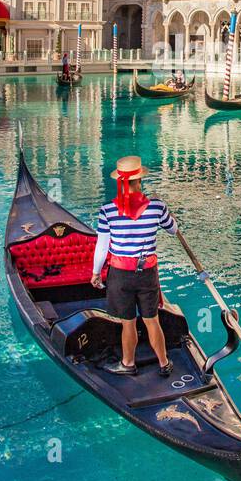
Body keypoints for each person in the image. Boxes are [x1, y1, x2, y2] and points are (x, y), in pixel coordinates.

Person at [90, 156, 178, 377]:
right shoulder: (157, 206)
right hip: (147, 273)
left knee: (127, 323)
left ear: (119, 181)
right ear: (139, 181)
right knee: (152, 320)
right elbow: (174, 230)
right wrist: (169, 216)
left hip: (120, 275)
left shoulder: (107, 210)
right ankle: (164, 363)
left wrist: (95, 272)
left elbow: (102, 246)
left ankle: (128, 363)